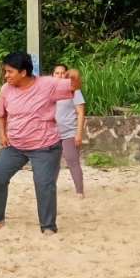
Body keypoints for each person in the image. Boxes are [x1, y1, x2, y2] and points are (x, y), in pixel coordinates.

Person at [0, 52, 81, 234]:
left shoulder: (48, 84)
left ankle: (48, 226)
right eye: (5, 71)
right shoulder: (6, 89)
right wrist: (2, 134)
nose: (6, 76)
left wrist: (74, 73)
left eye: (9, 72)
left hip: (45, 147)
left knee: (44, 184)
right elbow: (0, 114)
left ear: (23, 72)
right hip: (15, 146)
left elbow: (74, 86)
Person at [52, 64, 87, 198]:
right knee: (51, 163)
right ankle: (50, 189)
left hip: (69, 133)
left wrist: (78, 134)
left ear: (66, 75)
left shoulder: (74, 90)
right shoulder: (49, 91)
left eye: (62, 73)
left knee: (72, 161)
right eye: (57, 73)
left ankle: (79, 191)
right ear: (52, 75)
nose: (60, 75)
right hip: (52, 134)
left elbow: (81, 113)